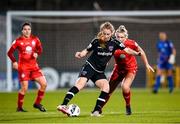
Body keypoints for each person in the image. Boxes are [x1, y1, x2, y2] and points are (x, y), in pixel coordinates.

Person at [57, 22, 141, 117]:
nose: (105, 36)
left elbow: (127, 50)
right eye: (104, 33)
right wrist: (80, 54)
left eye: (108, 34)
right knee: (80, 85)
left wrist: (137, 53)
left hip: (99, 71)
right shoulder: (97, 41)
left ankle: (96, 111)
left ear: (112, 33)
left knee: (106, 87)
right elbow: (86, 51)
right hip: (90, 67)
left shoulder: (115, 43)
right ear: (102, 32)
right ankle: (63, 105)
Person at [100, 25, 154, 115]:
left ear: (126, 37)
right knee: (108, 90)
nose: (120, 39)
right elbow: (106, 54)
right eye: (118, 37)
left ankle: (128, 106)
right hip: (118, 69)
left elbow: (141, 51)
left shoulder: (131, 43)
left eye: (122, 37)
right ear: (115, 36)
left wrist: (147, 64)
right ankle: (99, 108)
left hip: (130, 68)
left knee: (125, 87)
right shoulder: (112, 44)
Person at [7, 22, 47, 112]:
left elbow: (40, 50)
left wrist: (37, 53)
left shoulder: (35, 39)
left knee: (44, 84)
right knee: (24, 88)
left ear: (31, 30)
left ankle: (37, 103)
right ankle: (19, 107)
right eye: (25, 29)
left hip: (34, 67)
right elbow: (9, 53)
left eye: (28, 29)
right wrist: (14, 62)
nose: (27, 31)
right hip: (23, 68)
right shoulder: (18, 41)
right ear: (22, 31)